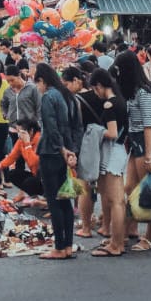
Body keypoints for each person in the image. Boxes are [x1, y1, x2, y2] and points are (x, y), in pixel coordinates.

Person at [114, 50, 151, 252]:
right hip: (136, 144)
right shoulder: (133, 91)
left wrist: (149, 156)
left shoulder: (144, 92)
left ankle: (150, 236)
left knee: (149, 193)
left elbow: (150, 125)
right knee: (130, 188)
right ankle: (127, 230)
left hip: (145, 144)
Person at [33, 62, 78, 260]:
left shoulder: (49, 97)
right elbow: (71, 126)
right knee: (64, 200)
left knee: (54, 201)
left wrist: (61, 149)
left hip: (51, 153)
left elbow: (51, 128)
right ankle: (67, 245)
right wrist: (70, 151)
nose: (37, 88)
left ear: (42, 80)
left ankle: (60, 247)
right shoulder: (65, 95)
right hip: (64, 153)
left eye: (37, 84)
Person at [87, 68, 129, 257]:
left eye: (95, 90)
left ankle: (117, 244)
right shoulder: (121, 101)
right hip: (119, 151)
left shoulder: (110, 105)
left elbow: (111, 133)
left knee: (116, 200)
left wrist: (95, 130)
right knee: (117, 200)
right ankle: (117, 239)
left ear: (99, 86)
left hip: (112, 152)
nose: (96, 93)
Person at [61, 66, 101, 240]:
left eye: (67, 83)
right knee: (102, 186)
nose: (66, 87)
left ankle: (86, 226)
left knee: (85, 186)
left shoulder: (75, 100)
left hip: (85, 145)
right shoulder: (99, 95)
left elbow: (73, 127)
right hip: (102, 142)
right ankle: (104, 222)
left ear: (77, 80)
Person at [0, 119, 42, 202]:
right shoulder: (21, 141)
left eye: (21, 131)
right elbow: (12, 157)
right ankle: (35, 197)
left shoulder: (40, 140)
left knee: (29, 182)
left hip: (46, 179)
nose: (18, 134)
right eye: (17, 131)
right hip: (36, 175)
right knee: (12, 174)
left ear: (31, 131)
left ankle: (48, 201)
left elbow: (34, 163)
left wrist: (27, 144)